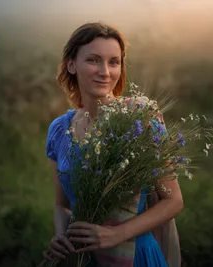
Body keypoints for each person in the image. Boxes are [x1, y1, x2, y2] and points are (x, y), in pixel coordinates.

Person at [43, 22, 183, 267]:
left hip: (136, 256)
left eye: (114, 62)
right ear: (72, 64)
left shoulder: (139, 121)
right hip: (81, 257)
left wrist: (117, 234)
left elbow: (173, 201)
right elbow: (62, 205)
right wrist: (59, 236)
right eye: (94, 60)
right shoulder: (59, 131)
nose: (105, 71)